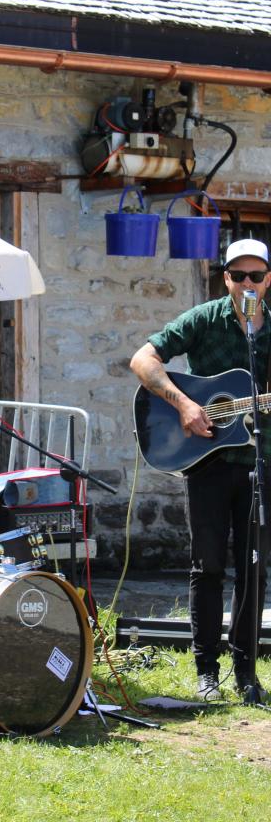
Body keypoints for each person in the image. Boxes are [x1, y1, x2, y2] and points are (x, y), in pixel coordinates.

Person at [130, 238, 271, 701]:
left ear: (268, 280)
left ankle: (247, 672)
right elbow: (143, 360)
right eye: (237, 276)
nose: (246, 284)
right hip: (207, 461)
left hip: (257, 463)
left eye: (256, 276)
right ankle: (207, 671)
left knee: (253, 569)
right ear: (225, 278)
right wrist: (186, 405)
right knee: (206, 565)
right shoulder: (203, 320)